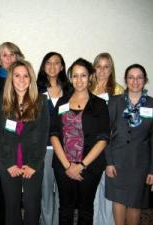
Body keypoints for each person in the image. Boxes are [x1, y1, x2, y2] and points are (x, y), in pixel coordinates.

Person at [50, 58, 110, 225]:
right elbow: (53, 133)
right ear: (70, 77)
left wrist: (81, 165)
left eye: (83, 75)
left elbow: (103, 138)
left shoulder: (99, 104)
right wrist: (68, 166)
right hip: (63, 166)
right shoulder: (62, 102)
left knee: (86, 208)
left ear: (90, 77)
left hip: (89, 167)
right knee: (65, 208)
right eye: (75, 76)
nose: (79, 80)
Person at [0, 60, 49, 225]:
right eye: (17, 75)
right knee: (11, 207)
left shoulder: (41, 102)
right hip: (8, 163)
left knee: (32, 206)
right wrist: (8, 163)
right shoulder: (1, 100)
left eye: (26, 76)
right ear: (11, 78)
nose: (22, 79)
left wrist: (34, 164)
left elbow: (43, 134)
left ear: (31, 79)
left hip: (32, 163)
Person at [105, 64, 153, 225]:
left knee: (135, 203)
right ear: (125, 80)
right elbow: (105, 134)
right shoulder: (115, 102)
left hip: (140, 164)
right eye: (131, 77)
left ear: (145, 80)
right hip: (117, 162)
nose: (135, 81)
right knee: (118, 201)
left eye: (139, 77)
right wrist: (108, 162)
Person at [0, 41, 24, 225]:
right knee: (1, 186)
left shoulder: (21, 79)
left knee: (17, 186)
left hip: (21, 143)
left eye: (12, 54)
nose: (9, 59)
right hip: (1, 143)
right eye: (4, 55)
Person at [36, 52, 72, 225]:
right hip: (45, 149)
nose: (52, 66)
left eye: (57, 63)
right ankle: (46, 221)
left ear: (62, 67)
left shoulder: (70, 90)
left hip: (67, 150)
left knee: (63, 191)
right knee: (46, 190)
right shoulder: (35, 89)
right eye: (48, 63)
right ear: (44, 66)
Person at [91, 52, 124, 225]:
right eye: (99, 66)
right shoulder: (86, 89)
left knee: (109, 187)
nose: (102, 71)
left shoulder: (119, 92)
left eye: (106, 66)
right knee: (93, 188)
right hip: (90, 146)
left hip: (111, 146)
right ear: (94, 68)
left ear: (111, 69)